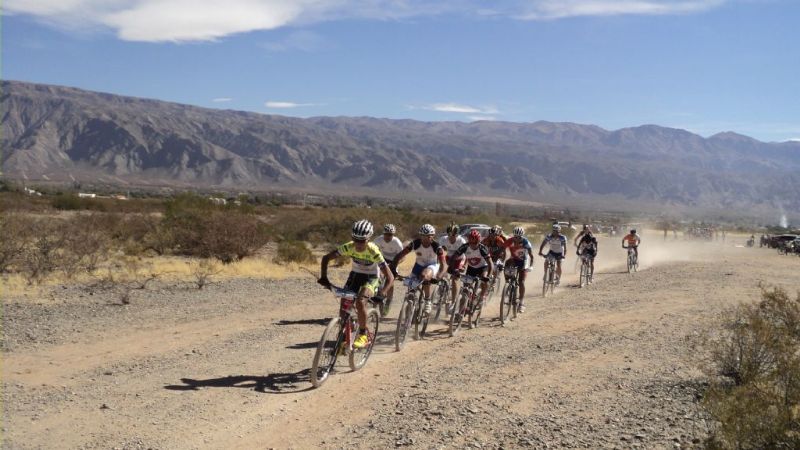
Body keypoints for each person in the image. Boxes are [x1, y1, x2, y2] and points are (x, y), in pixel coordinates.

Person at [318, 220, 394, 348]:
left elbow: (390, 277)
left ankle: (363, 335)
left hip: (372, 277)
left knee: (360, 301)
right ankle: (345, 329)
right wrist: (324, 277)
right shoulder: (348, 246)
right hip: (355, 275)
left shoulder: (373, 251)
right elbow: (326, 258)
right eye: (355, 240)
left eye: (362, 241)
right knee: (345, 303)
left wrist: (383, 292)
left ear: (369, 239)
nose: (358, 244)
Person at [393, 224, 446, 314]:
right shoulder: (415, 243)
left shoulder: (437, 247)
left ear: (432, 236)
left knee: (424, 276)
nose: (425, 239)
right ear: (420, 235)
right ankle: (410, 308)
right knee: (411, 288)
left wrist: (439, 276)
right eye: (423, 236)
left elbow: (443, 264)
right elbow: (400, 255)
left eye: (428, 236)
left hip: (432, 265)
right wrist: (393, 268)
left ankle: (427, 300)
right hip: (418, 265)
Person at [453, 230, 493, 324]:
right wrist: (454, 269)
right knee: (465, 291)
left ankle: (482, 296)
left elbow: (491, 264)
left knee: (484, 278)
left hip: (483, 267)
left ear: (478, 241)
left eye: (474, 242)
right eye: (470, 241)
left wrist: (489, 276)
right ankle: (460, 312)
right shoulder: (465, 246)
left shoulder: (483, 249)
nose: (472, 244)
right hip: (471, 268)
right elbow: (454, 257)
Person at [504, 226, 535, 312]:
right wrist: (499, 260)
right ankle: (508, 282)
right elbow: (502, 250)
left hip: (523, 261)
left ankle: (521, 303)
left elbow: (531, 256)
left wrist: (531, 266)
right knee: (507, 263)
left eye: (519, 237)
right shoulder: (510, 240)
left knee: (521, 281)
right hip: (514, 259)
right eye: (515, 237)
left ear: (522, 236)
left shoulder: (526, 242)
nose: (517, 239)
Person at [373, 223, 405, 305]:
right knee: (378, 274)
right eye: (386, 234)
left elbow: (403, 257)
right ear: (383, 233)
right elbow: (372, 251)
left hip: (394, 261)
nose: (388, 236)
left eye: (390, 235)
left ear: (393, 234)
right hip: (383, 260)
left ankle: (389, 301)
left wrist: (395, 264)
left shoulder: (397, 243)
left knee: (391, 280)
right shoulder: (378, 240)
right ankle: (377, 290)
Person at [438, 222, 467, 306]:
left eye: (454, 235)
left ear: (457, 235)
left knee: (455, 278)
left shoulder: (461, 241)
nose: (451, 237)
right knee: (441, 273)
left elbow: (468, 254)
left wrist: (463, 265)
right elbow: (438, 253)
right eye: (449, 235)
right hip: (447, 258)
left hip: (459, 259)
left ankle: (453, 302)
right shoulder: (443, 239)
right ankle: (441, 291)